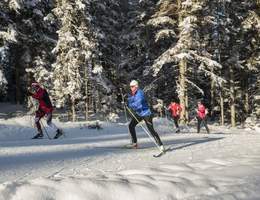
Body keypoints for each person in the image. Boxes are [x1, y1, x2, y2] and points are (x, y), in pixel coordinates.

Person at [126, 80, 165, 151]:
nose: (131, 88)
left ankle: (161, 145)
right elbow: (131, 101)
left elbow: (138, 105)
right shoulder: (133, 94)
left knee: (151, 130)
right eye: (130, 87)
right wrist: (128, 101)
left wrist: (130, 104)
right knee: (131, 125)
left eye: (132, 87)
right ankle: (135, 143)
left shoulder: (140, 93)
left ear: (136, 86)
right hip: (139, 114)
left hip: (147, 114)